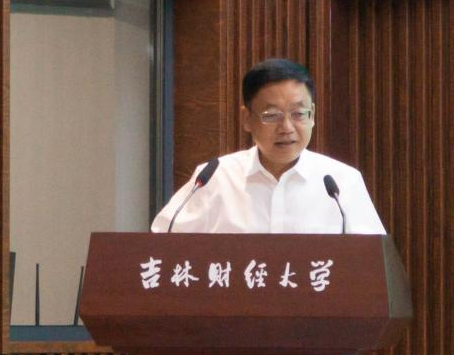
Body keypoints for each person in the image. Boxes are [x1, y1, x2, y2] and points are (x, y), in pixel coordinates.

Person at [151, 58, 386, 234]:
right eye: (271, 115)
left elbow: (371, 264)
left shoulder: (342, 183)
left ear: (312, 115)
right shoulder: (214, 178)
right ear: (247, 119)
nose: (287, 127)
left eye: (299, 114)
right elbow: (162, 245)